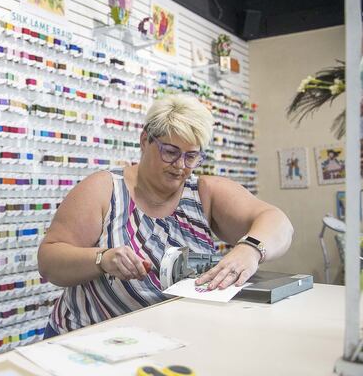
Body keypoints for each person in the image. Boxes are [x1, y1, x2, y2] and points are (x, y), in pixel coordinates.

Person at [37, 94, 293, 338]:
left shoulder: (204, 193)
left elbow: (279, 223)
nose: (180, 165)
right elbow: (49, 262)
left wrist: (250, 249)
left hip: (171, 340)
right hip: (90, 340)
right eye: (170, 152)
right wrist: (101, 258)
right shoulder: (104, 189)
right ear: (145, 140)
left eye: (191, 156)